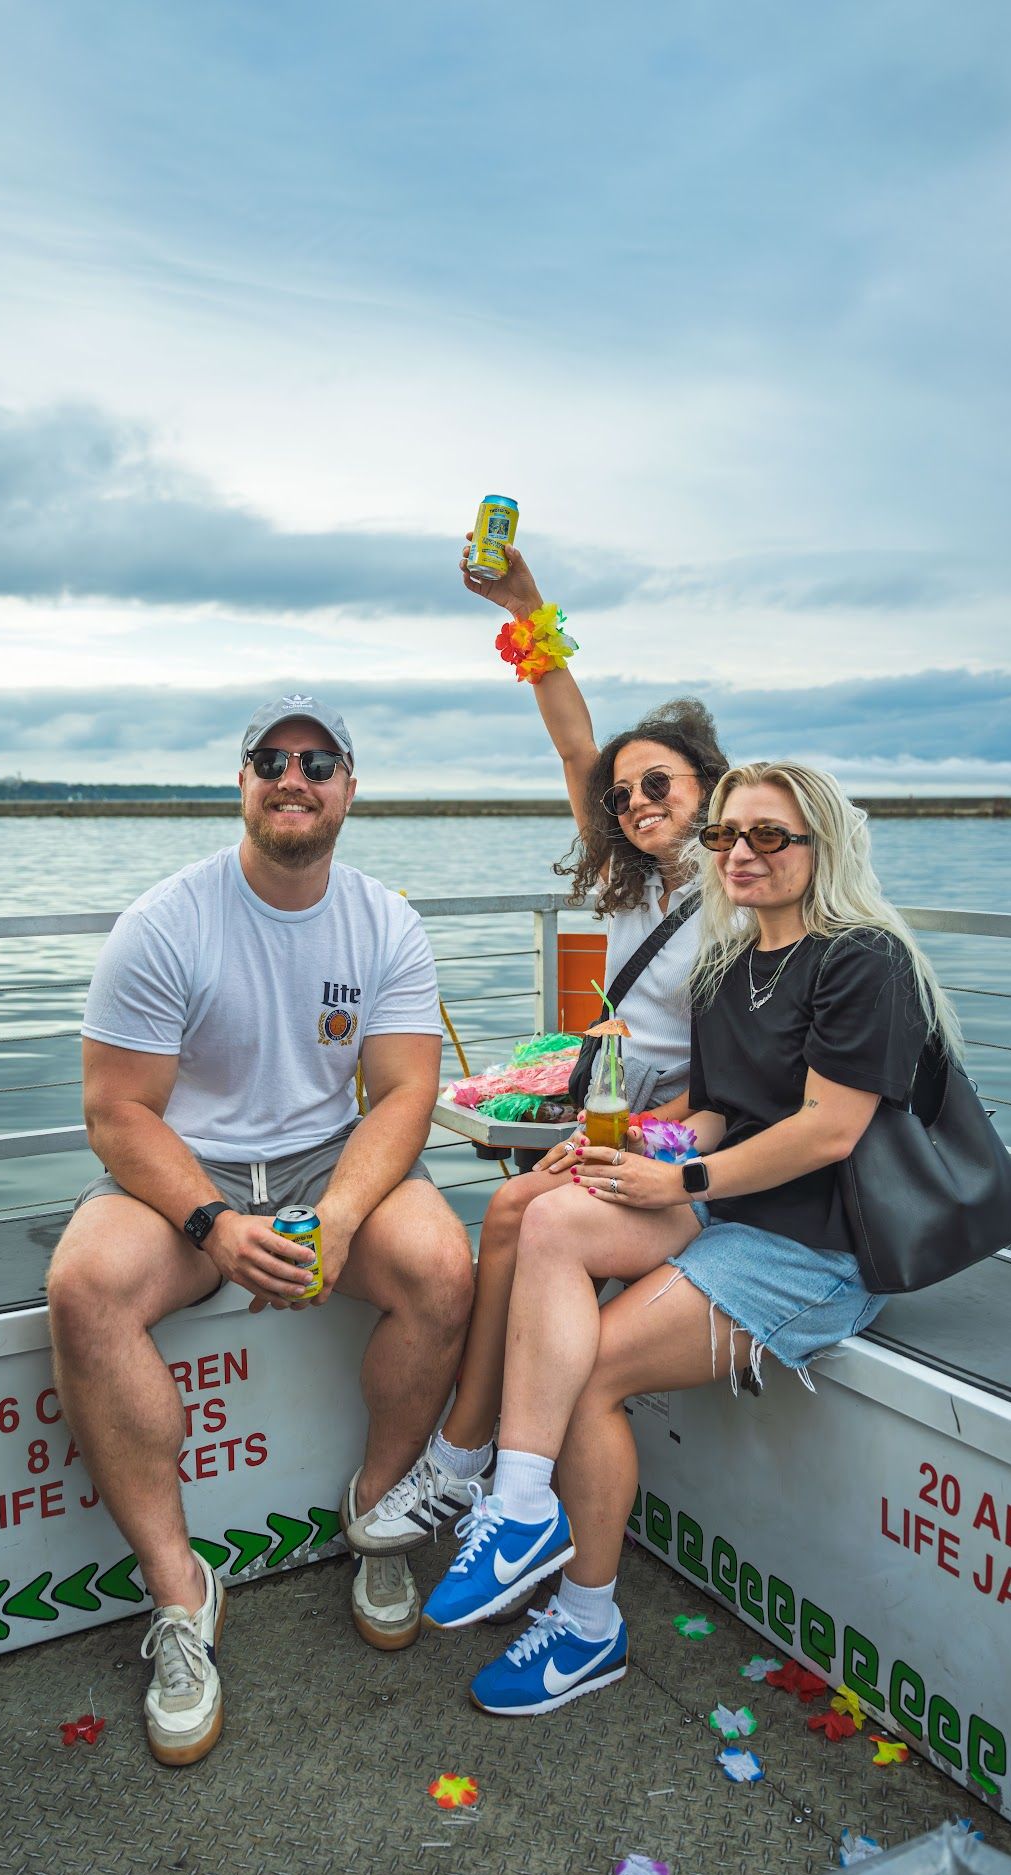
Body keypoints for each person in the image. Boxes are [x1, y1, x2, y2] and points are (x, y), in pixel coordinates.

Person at [420, 760, 963, 1714]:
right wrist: (622, 1148)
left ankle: (589, 1624)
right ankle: (519, 1507)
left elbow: (828, 1131)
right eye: (726, 836)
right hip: (731, 1199)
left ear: (820, 844)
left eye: (767, 835)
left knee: (591, 1372)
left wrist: (680, 1179)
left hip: (819, 1242)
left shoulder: (862, 959)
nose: (739, 853)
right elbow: (714, 1114)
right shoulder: (728, 961)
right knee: (547, 1215)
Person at [47, 694, 474, 1765]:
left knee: (440, 1262)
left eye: (318, 760)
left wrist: (332, 1218)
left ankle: (376, 1514)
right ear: (241, 782)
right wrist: (208, 1220)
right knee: (85, 1288)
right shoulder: (167, 921)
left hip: (326, 1160)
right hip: (190, 1170)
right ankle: (183, 1598)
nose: (295, 776)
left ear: (349, 788)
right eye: (271, 759)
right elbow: (116, 1112)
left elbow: (406, 1094)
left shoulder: (386, 922)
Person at [343, 545, 727, 1571]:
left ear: (712, 790)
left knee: (516, 1212)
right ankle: (468, 1459)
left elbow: (743, 1074)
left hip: (680, 1132)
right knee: (512, 1213)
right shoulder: (636, 879)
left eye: (662, 785)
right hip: (612, 1106)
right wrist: (526, 609)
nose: (638, 800)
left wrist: (641, 1137)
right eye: (627, 792)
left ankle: (464, 1457)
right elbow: (574, 749)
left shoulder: (743, 895)